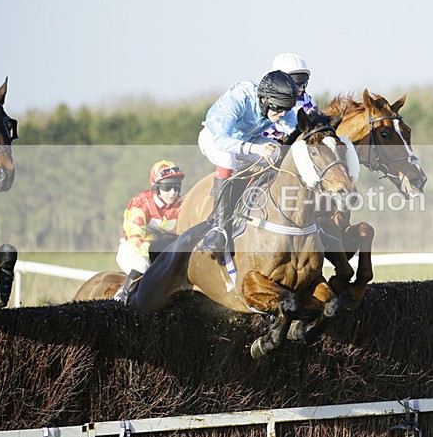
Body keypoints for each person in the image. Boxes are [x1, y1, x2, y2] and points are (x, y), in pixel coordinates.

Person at [197, 70, 299, 252]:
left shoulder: (281, 106)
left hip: (249, 140)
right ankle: (219, 227)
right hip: (213, 139)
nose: (283, 114)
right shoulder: (239, 96)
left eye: (287, 108)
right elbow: (221, 140)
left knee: (277, 154)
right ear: (264, 100)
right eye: (278, 108)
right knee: (227, 156)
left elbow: (295, 131)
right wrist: (257, 149)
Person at [113, 160, 185, 303]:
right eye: (167, 186)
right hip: (134, 250)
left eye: (177, 186)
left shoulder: (180, 206)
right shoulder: (141, 203)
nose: (173, 192)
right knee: (143, 266)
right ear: (156, 187)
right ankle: (121, 298)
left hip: (162, 255)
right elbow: (136, 239)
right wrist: (158, 254)